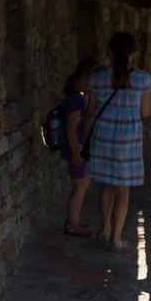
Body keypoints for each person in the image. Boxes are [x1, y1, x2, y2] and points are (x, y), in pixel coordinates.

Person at [86, 32, 151, 251]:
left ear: (110, 52)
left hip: (103, 136)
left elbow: (91, 110)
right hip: (128, 138)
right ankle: (116, 237)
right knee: (123, 189)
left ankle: (104, 229)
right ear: (133, 54)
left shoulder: (97, 77)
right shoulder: (142, 79)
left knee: (106, 184)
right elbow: (145, 112)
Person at [61, 57, 99, 236]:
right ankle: (72, 223)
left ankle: (75, 218)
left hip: (81, 148)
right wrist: (76, 153)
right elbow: (70, 126)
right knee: (78, 187)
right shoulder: (76, 99)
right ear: (85, 78)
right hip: (76, 149)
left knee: (83, 184)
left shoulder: (81, 97)